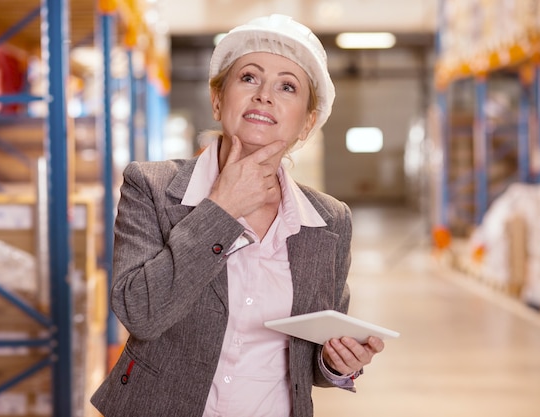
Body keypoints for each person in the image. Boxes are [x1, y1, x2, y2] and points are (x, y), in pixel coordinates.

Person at [90, 13, 385, 417]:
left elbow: (312, 357)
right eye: (249, 77)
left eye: (287, 86)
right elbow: (140, 314)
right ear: (217, 100)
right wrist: (221, 210)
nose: (265, 95)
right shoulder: (152, 187)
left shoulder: (329, 221)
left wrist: (335, 363)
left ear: (307, 123)